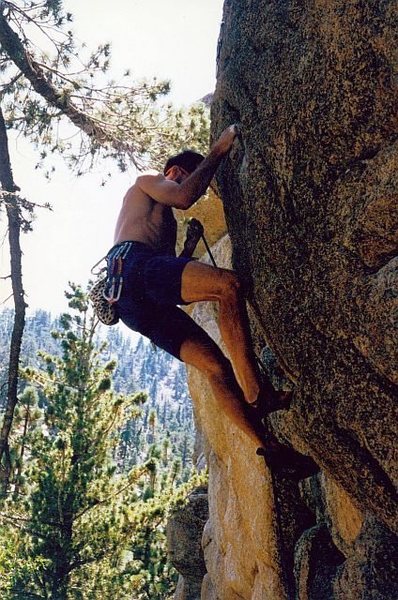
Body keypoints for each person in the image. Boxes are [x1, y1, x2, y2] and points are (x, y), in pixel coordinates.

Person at [108, 125, 288, 452]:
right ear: (175, 171)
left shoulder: (152, 217)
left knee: (214, 366)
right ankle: (256, 392)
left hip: (131, 299)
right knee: (228, 286)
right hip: (134, 267)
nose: (195, 191)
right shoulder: (147, 180)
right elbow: (184, 195)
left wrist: (187, 250)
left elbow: (163, 279)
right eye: (187, 175)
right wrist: (219, 149)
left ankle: (270, 450)